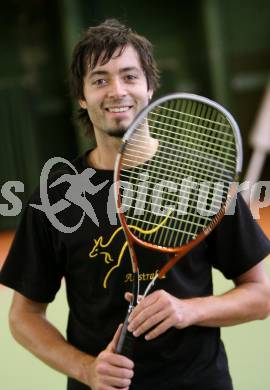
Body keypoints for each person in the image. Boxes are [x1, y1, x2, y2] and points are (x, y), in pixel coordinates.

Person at [1, 18, 270, 390]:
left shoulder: (204, 178)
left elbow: (261, 295)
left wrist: (188, 310)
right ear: (82, 95)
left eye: (129, 76)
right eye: (99, 79)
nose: (117, 90)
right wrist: (87, 370)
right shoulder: (56, 196)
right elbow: (24, 316)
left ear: (149, 87)